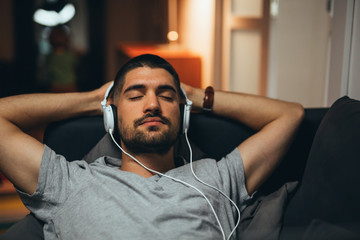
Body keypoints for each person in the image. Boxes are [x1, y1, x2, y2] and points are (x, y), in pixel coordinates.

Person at [0, 54, 304, 239]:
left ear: (183, 115)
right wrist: (94, 100)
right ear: (113, 114)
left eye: (166, 95)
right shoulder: (68, 183)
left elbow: (290, 115)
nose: (152, 105)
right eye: (135, 95)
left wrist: (196, 96)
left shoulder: (216, 178)